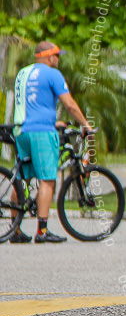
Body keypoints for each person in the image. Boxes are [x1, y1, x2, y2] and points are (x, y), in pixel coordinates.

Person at [9, 41, 92, 244]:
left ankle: (15, 230)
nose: (58, 59)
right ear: (47, 56)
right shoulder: (52, 74)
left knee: (22, 180)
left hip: (21, 130)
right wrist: (85, 125)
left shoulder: (23, 73)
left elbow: (32, 104)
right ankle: (42, 230)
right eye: (56, 55)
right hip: (41, 133)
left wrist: (53, 121)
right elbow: (70, 104)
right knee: (47, 179)